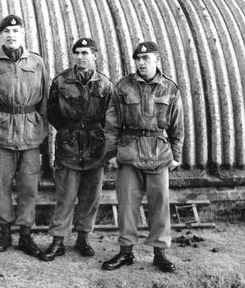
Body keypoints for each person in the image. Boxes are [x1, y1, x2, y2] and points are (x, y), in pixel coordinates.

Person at [102, 41, 184, 273]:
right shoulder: (123, 87)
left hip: (159, 153)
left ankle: (160, 254)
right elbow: (112, 124)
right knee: (127, 205)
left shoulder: (169, 88)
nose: (141, 63)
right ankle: (126, 252)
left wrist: (176, 154)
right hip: (129, 153)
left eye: (146, 59)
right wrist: (111, 154)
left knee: (160, 205)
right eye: (137, 59)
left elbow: (178, 124)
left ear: (157, 60)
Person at [0, 14, 49, 257]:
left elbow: (45, 102)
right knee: (2, 186)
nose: (11, 35)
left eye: (15, 32)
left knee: (28, 187)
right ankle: (4, 232)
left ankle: (26, 234)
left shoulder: (36, 62)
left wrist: (45, 135)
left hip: (30, 133)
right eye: (6, 32)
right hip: (1, 131)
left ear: (23, 33)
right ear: (0, 35)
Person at [39, 38, 112, 261]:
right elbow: (52, 112)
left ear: (95, 56)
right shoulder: (61, 82)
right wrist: (70, 132)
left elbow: (110, 118)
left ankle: (83, 239)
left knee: (91, 197)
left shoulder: (105, 85)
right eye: (77, 53)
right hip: (69, 147)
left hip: (95, 148)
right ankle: (58, 241)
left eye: (85, 53)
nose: (80, 57)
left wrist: (97, 138)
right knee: (66, 197)